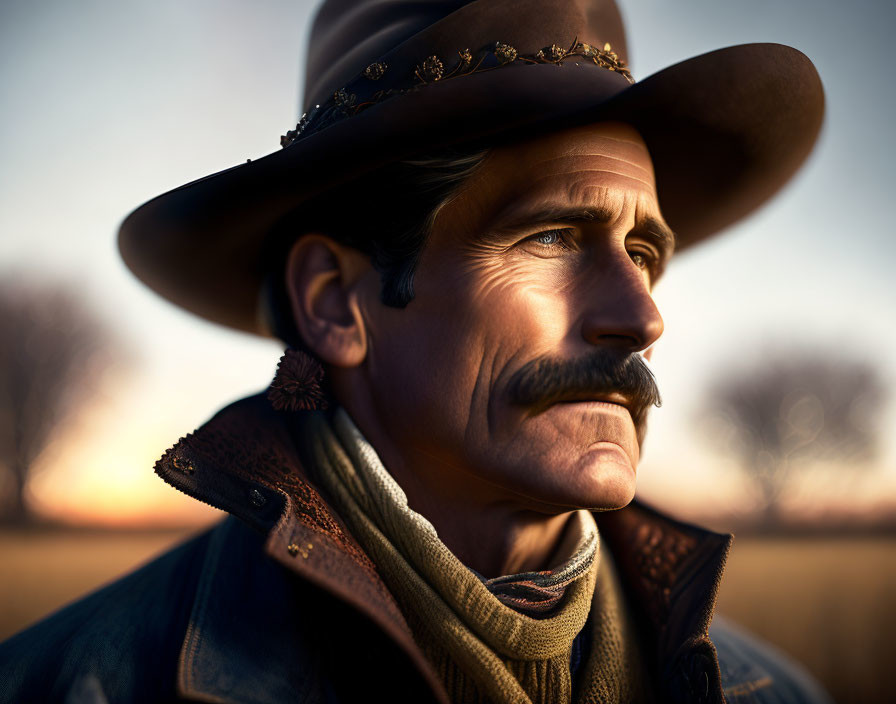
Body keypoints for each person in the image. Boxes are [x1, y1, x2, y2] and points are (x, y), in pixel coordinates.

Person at [0, 0, 833, 702]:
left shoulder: (773, 692)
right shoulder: (74, 684)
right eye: (550, 236)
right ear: (334, 303)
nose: (641, 316)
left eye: (644, 253)